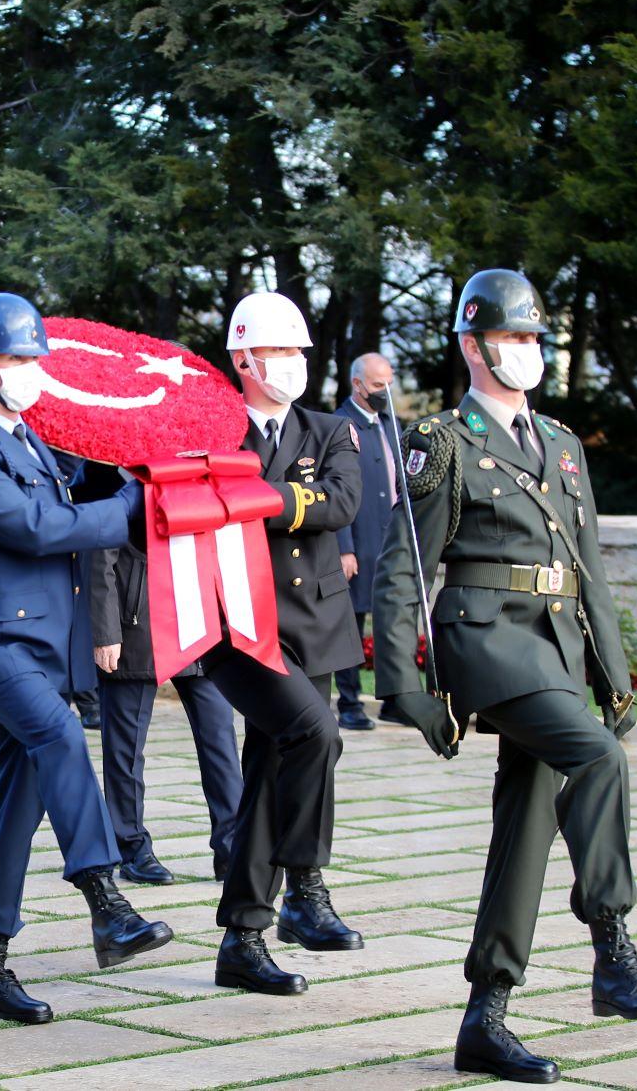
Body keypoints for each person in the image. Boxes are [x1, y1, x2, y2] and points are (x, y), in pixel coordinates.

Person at [372, 269, 637, 1084]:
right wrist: (404, 682)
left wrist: (613, 680)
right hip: (487, 642)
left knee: (528, 826)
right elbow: (405, 561)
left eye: (535, 338)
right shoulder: (443, 439)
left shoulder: (564, 445)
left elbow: (588, 571)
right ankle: (613, 949)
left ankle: (486, 1018)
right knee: (599, 762)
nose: (527, 351)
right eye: (512, 337)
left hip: (553, 651)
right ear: (473, 346)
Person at [0, 292, 170, 1026]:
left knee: (18, 803)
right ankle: (106, 899)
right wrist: (129, 510)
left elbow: (84, 483)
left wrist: (143, 461)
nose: (28, 371)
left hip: (39, 645)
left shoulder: (32, 437)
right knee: (64, 738)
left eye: (34, 357)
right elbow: (35, 527)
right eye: (12, 358)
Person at [198, 292, 365, 997]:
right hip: (242, 628)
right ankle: (305, 886)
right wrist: (289, 504)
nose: (294, 364)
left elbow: (342, 503)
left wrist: (260, 502)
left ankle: (243, 937)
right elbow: (205, 506)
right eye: (279, 352)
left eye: (300, 351)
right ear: (243, 359)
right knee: (316, 733)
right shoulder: (212, 430)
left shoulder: (328, 429)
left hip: (312, 626)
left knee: (272, 769)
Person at [90, 538, 241, 885]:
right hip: (136, 618)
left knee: (220, 739)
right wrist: (106, 630)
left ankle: (233, 847)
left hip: (196, 617)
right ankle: (131, 848)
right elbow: (99, 554)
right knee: (125, 748)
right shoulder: (114, 480)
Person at [333, 352, 402, 731]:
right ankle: (349, 704)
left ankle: (395, 701)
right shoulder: (340, 424)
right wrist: (345, 547)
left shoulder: (390, 423)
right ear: (357, 384)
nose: (385, 392)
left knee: (393, 626)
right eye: (378, 385)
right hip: (357, 544)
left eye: (389, 384)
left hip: (390, 542)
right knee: (350, 628)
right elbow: (337, 492)